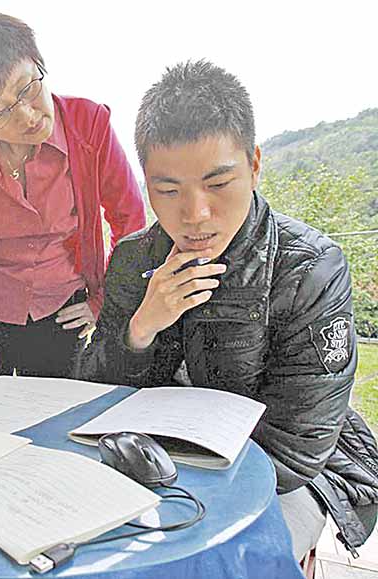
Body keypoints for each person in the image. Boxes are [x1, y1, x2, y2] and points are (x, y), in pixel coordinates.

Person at [78, 60, 378, 561]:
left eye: (218, 184)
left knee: (223, 560)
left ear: (255, 164)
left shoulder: (308, 268)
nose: (194, 214)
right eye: (168, 191)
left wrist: (168, 476)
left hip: (292, 475)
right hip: (151, 459)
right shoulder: (135, 257)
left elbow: (299, 449)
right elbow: (91, 393)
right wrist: (141, 328)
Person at [0, 11, 145, 380]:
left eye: (27, 88)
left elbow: (130, 223)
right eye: (0, 112)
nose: (27, 116)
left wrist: (105, 301)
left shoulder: (90, 125)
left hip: (62, 314)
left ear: (38, 63)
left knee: (55, 426)